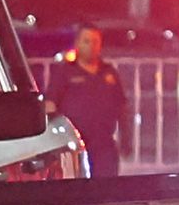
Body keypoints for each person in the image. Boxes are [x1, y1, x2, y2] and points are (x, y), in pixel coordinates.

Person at [51, 27, 130, 180]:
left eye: (95, 41)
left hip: (104, 144)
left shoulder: (109, 72)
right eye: (86, 41)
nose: (91, 46)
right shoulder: (65, 72)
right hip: (75, 145)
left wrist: (126, 138)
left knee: (106, 189)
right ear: (77, 44)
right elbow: (51, 104)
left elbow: (121, 106)